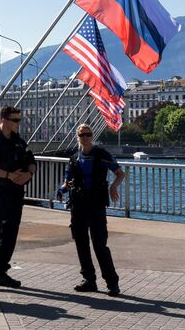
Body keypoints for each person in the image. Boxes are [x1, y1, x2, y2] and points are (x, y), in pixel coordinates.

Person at [57, 124, 124, 297]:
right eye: (82, 135)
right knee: (81, 243)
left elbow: (120, 173)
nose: (85, 137)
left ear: (92, 136)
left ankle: (112, 283)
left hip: (96, 204)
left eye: (88, 134)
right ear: (77, 137)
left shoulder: (102, 155)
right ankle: (89, 280)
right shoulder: (74, 159)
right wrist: (61, 190)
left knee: (99, 245)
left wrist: (113, 187)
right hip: (78, 205)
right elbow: (68, 180)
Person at [0, 105, 35, 291]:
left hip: (15, 195)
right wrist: (9, 175)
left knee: (10, 234)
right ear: (4, 119)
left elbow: (30, 160)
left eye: (19, 119)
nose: (18, 123)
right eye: (15, 120)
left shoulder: (19, 142)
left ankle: (1, 272)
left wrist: (29, 175)